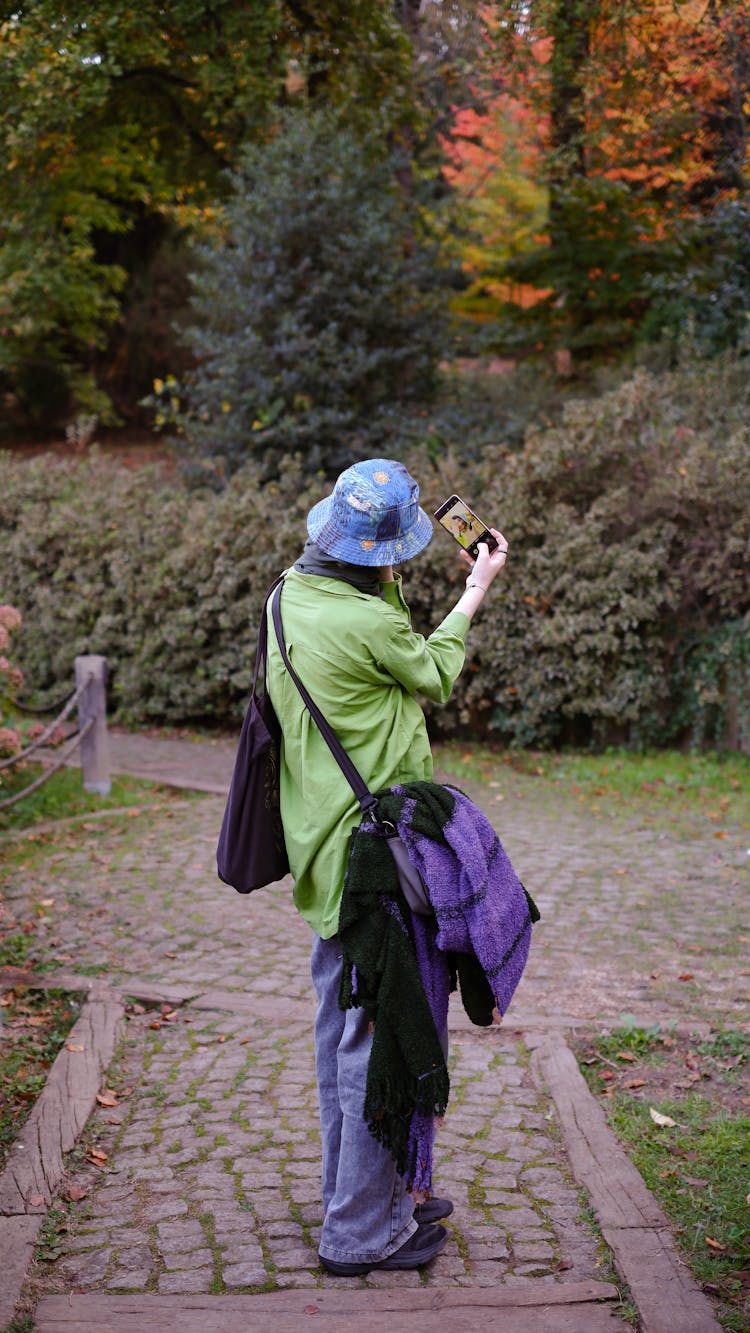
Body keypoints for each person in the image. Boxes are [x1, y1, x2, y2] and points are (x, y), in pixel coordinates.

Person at [264, 458, 508, 1276]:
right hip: (375, 861)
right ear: (376, 555)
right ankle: (359, 1236)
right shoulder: (369, 624)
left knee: (344, 1029)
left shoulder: (288, 597)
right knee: (376, 1041)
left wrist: (385, 577)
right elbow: (433, 670)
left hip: (322, 851)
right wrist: (475, 589)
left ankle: (368, 1195)